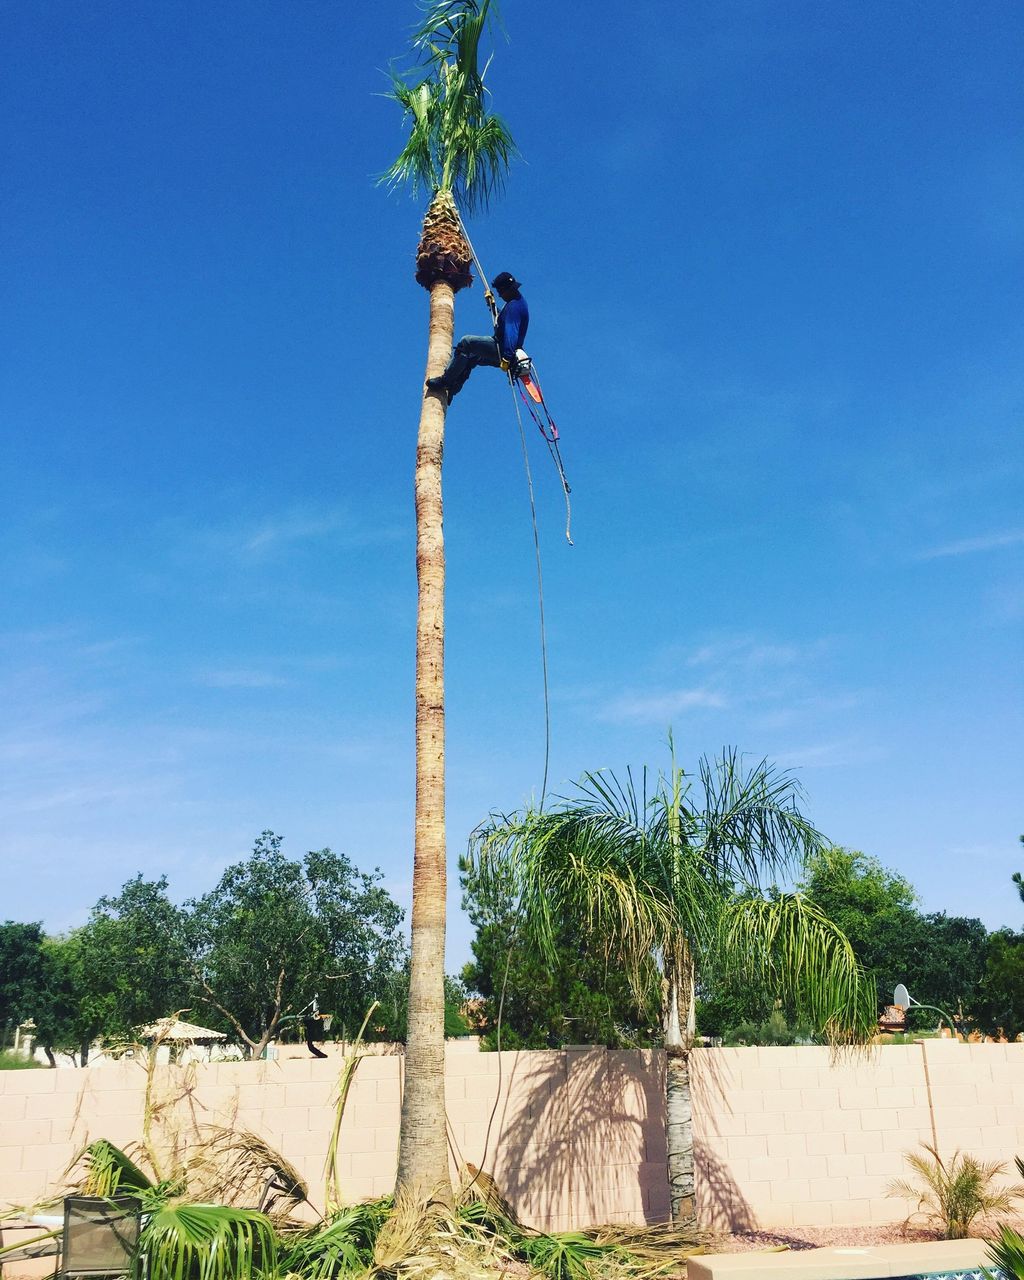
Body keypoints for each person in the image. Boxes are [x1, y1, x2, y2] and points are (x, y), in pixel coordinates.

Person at [426, 270, 528, 403]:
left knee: (466, 343)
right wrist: (492, 306)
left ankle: (445, 381)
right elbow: (503, 321)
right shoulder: (517, 301)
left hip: (502, 350)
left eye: (500, 292)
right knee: (472, 357)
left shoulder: (514, 307)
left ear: (506, 290)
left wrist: (507, 358)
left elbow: (511, 333)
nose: (499, 295)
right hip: (503, 349)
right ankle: (452, 388)